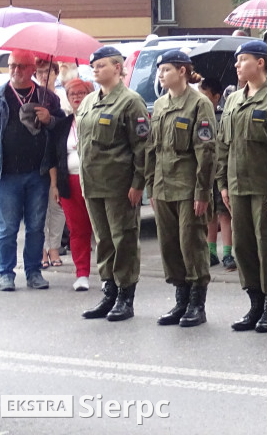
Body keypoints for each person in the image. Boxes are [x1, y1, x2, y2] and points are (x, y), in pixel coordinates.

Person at [215, 40, 267, 334]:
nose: (237, 65)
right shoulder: (234, 100)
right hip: (237, 187)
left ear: (260, 63)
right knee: (244, 249)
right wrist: (222, 183)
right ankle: (254, 305)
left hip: (265, 188)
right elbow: (223, 144)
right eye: (237, 61)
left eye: (243, 60)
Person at [77, 46, 151, 320]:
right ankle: (109, 291)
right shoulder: (88, 102)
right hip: (93, 183)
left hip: (119, 184)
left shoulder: (131, 102)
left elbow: (142, 147)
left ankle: (125, 295)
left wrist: (138, 182)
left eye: (101, 65)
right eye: (93, 66)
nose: (95, 69)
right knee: (104, 240)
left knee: (124, 239)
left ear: (118, 68)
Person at [145, 50, 217, 328]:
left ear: (182, 71)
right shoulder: (161, 104)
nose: (161, 75)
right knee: (170, 246)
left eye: (166, 70)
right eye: (160, 71)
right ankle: (181, 299)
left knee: (191, 244)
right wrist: (151, 185)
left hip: (188, 187)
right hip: (163, 186)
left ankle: (197, 303)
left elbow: (207, 151)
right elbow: (152, 148)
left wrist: (202, 192)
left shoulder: (199, 104)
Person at [0, 50, 66, 292]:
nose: (15, 70)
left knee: (35, 226)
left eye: (22, 66)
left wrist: (49, 120)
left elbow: (61, 129)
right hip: (5, 174)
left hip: (39, 172)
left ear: (33, 69)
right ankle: (6, 273)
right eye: (12, 65)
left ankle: (33, 271)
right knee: (7, 227)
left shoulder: (47, 97)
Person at [51, 79, 95, 291]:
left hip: (96, 182)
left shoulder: (98, 119)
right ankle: (82, 273)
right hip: (69, 182)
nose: (77, 97)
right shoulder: (62, 125)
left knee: (102, 229)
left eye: (81, 93)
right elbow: (54, 158)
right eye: (72, 94)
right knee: (77, 230)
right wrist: (55, 186)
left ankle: (109, 275)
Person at [199, 77, 235, 271]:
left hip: (222, 170)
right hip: (206, 171)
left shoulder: (222, 117)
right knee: (209, 213)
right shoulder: (199, 117)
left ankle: (228, 252)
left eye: (205, 95)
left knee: (224, 213)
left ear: (216, 97)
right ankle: (211, 250)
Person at [35, 59, 65, 269]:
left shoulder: (63, 96)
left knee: (58, 206)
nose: (44, 75)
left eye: (48, 71)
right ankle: (43, 249)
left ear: (56, 73)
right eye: (40, 72)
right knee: (40, 208)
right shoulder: (34, 96)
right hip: (40, 160)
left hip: (60, 156)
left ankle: (55, 247)